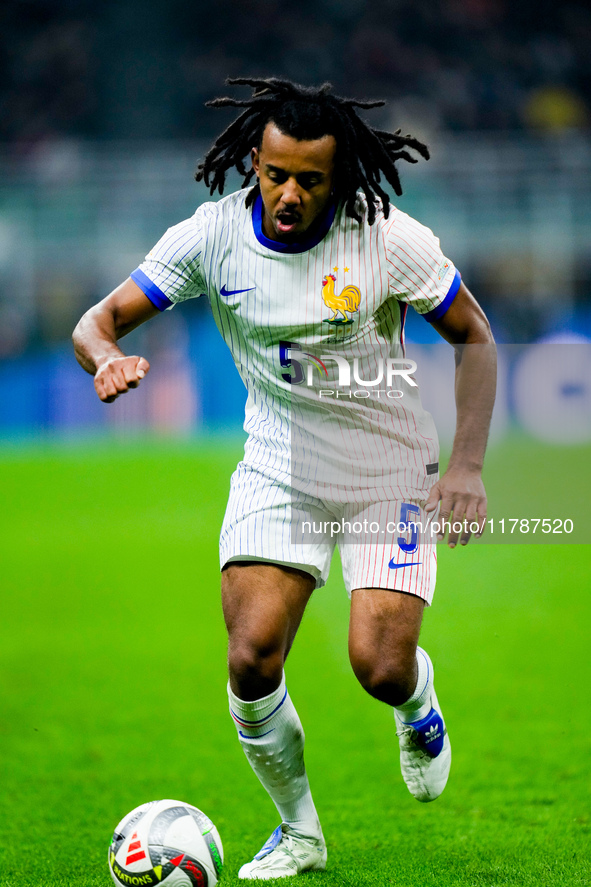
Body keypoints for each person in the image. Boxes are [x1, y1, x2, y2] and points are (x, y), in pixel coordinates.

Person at [73, 77, 496, 880]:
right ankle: (299, 831)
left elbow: (472, 333)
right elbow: (96, 321)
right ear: (254, 164)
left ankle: (416, 702)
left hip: (386, 466)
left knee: (377, 664)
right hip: (278, 463)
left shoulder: (387, 238)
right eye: (274, 174)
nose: (288, 194)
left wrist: (468, 465)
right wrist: (107, 358)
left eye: (309, 179)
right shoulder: (212, 236)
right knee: (252, 656)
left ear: (339, 178)